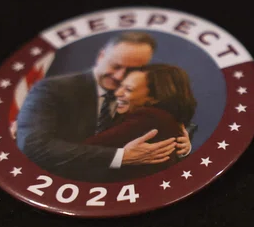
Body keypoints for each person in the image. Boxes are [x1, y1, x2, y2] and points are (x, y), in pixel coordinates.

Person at [15, 31, 191, 182]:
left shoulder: (140, 100)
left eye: (132, 70)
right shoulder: (52, 90)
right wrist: (120, 156)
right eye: (115, 65)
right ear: (101, 56)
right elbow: (34, 146)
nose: (119, 76)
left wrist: (181, 146)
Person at [83, 65, 197, 179]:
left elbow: (81, 153)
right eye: (120, 86)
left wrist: (122, 157)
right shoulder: (166, 118)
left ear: (155, 97)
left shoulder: (150, 118)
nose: (117, 93)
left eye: (128, 89)